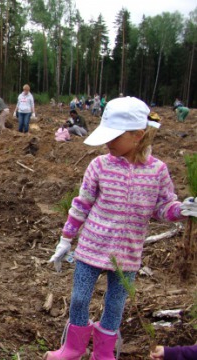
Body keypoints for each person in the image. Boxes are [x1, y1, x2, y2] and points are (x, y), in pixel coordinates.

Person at [44, 96, 197, 360]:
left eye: (114, 137)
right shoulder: (99, 165)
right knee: (80, 298)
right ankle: (73, 347)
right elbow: (82, 204)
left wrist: (181, 211)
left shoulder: (158, 171)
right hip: (92, 247)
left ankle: (103, 352)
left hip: (127, 254)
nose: (107, 143)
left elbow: (163, 208)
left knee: (115, 305)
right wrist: (66, 239)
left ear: (138, 135)